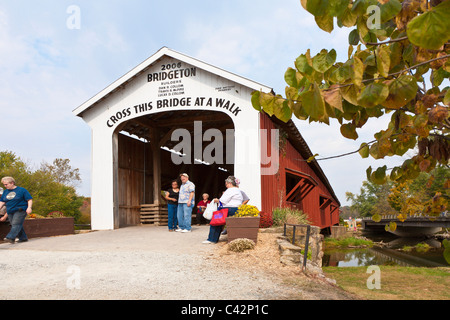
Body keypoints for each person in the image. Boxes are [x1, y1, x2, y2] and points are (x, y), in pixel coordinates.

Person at [203, 176, 243, 244]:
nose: (226, 185)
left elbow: (223, 201)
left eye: (226, 183)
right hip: (236, 209)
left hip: (228, 209)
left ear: (229, 183)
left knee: (215, 221)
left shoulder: (230, 190)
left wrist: (216, 200)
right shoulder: (238, 190)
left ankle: (212, 239)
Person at [0, 177, 33, 244]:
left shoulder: (22, 190)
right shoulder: (5, 191)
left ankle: (10, 237)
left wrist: (29, 207)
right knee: (15, 225)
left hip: (20, 210)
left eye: (6, 184)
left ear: (12, 183)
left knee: (16, 224)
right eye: (4, 184)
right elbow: (2, 201)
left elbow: (29, 199)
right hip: (10, 211)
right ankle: (23, 238)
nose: (5, 186)